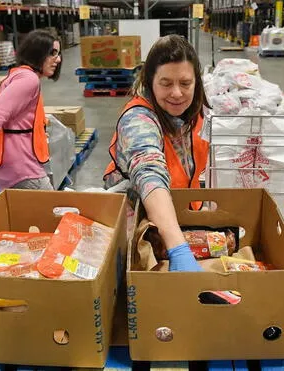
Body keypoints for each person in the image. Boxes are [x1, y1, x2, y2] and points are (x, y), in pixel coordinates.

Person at [103, 35, 210, 272]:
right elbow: (148, 170)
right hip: (138, 221)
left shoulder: (194, 113)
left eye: (185, 83)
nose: (177, 93)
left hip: (176, 217)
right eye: (166, 83)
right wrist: (178, 248)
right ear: (150, 81)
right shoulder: (138, 119)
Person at [0, 30, 62, 192]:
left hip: (15, 168)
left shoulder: (20, 75)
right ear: (37, 53)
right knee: (51, 213)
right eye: (53, 53)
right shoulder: (29, 80)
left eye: (58, 53)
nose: (58, 59)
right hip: (23, 171)